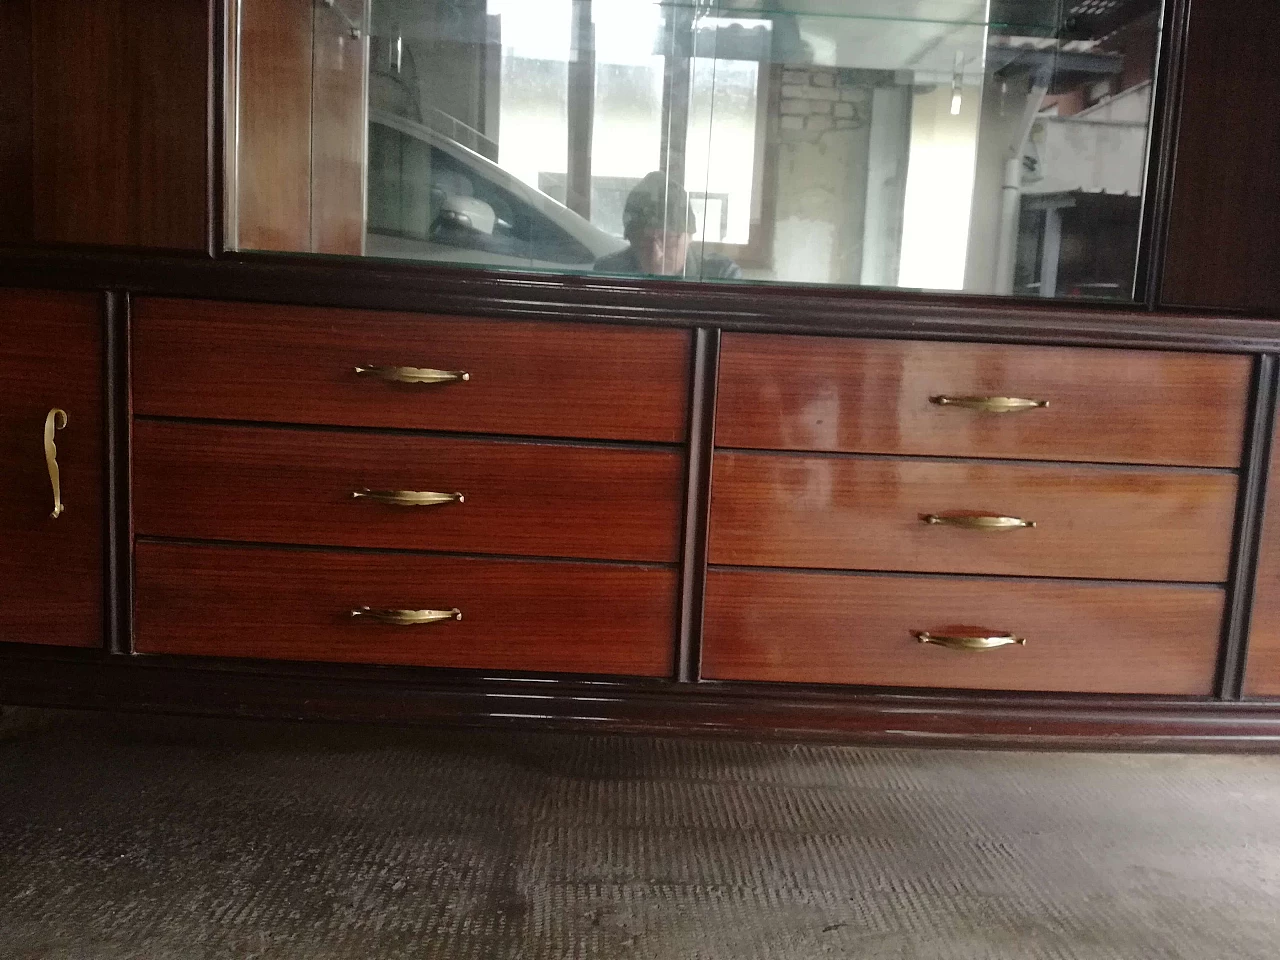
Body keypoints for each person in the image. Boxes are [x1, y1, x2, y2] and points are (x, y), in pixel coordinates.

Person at [594, 172, 743, 280]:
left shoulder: (721, 276)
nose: (656, 254)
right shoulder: (609, 272)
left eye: (668, 239)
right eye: (643, 241)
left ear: (690, 236)